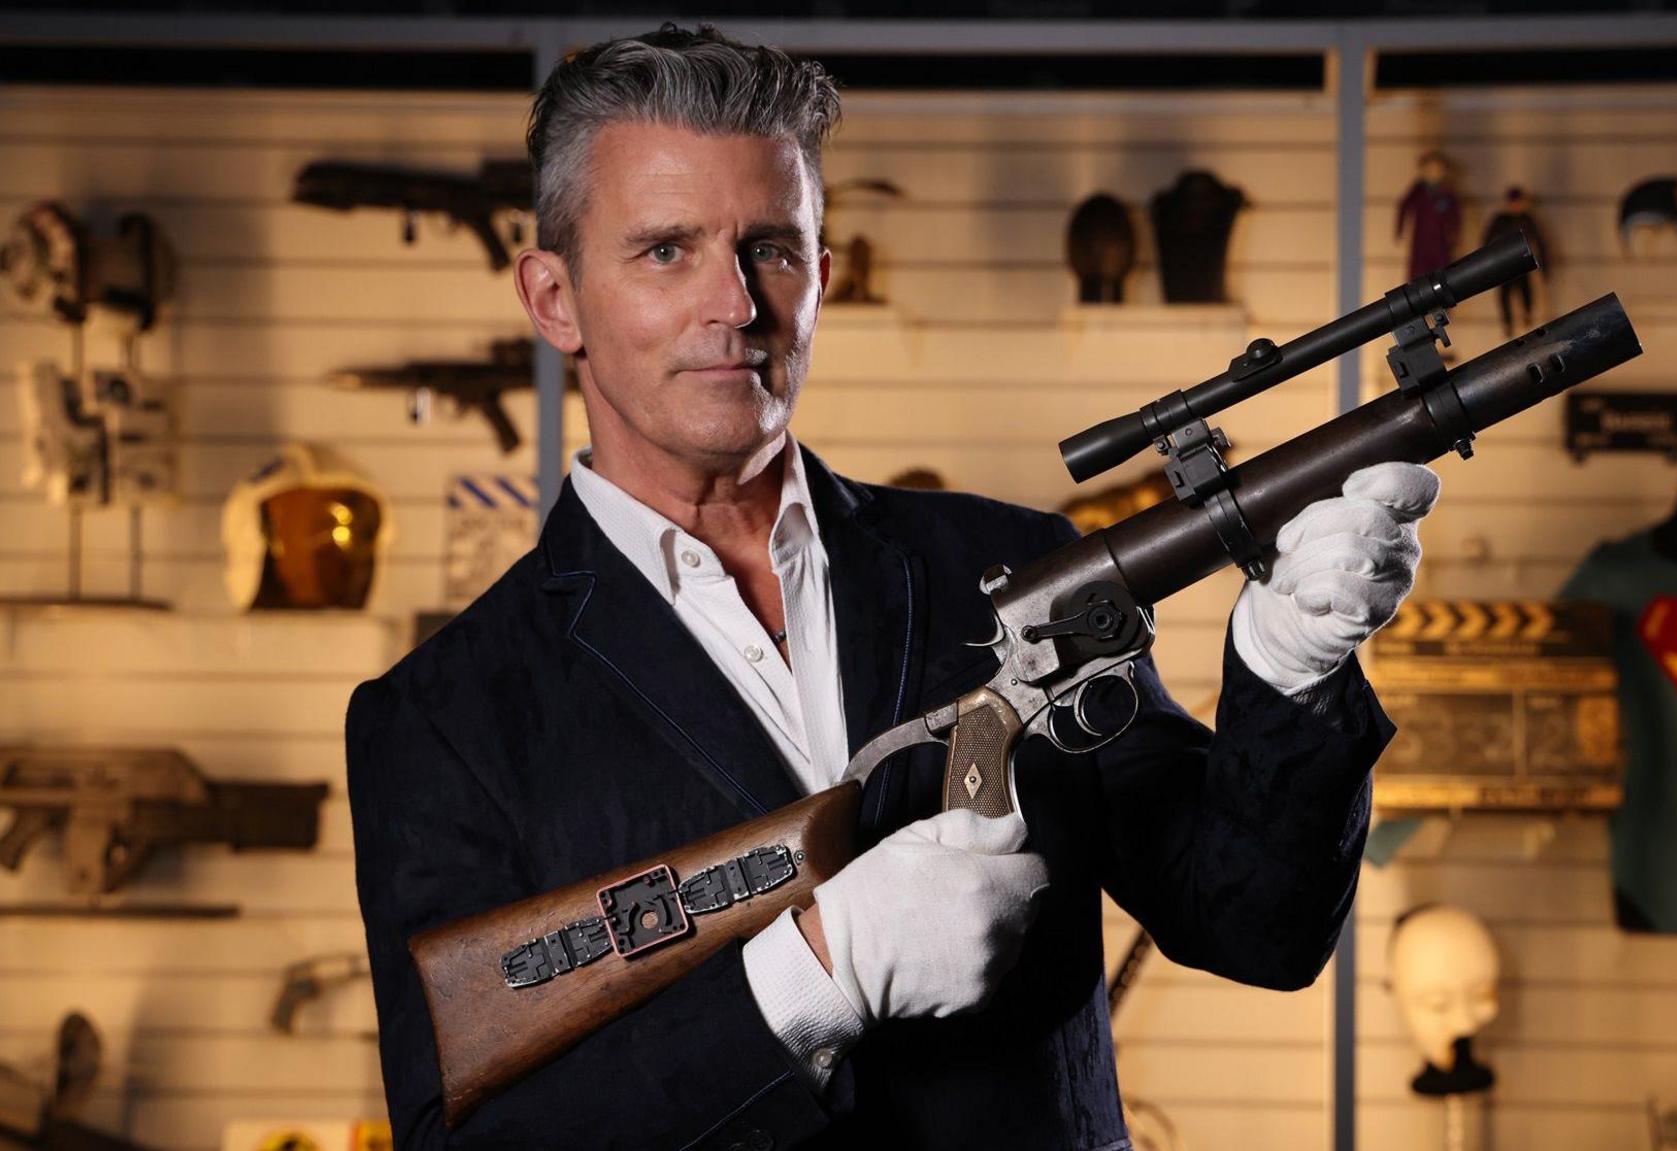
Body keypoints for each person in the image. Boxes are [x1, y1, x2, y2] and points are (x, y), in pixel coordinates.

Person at [346, 23, 1438, 1150]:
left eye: (768, 248)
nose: (733, 304)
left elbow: (1256, 926)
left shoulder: (1013, 571)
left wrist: (1289, 675)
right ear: (553, 298)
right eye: (665, 250)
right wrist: (810, 976)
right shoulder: (440, 717)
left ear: (820, 276)